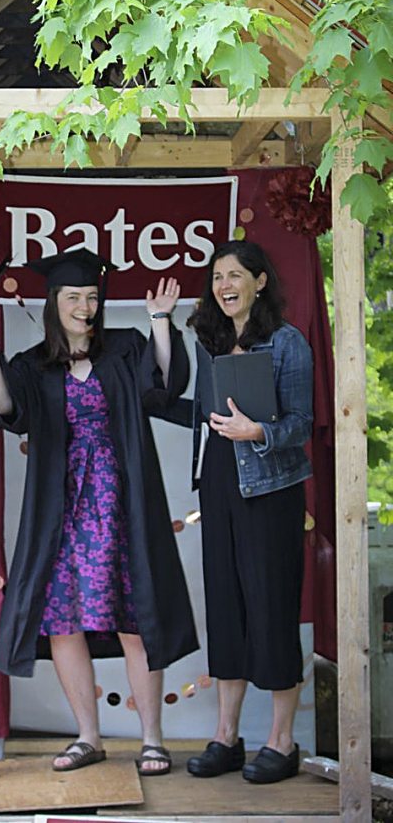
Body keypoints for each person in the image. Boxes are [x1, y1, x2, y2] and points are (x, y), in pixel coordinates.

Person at [0, 247, 198, 775]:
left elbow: (162, 387)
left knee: (134, 615)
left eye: (92, 297)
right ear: (54, 302)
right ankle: (88, 736)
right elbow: (7, 409)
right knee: (65, 619)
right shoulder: (33, 364)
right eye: (73, 297)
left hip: (121, 500)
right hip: (61, 506)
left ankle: (152, 740)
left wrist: (161, 320)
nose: (85, 306)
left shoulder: (123, 347)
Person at [181, 240, 313, 784]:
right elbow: (199, 412)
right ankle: (226, 737)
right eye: (217, 276)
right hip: (218, 485)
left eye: (235, 274)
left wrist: (258, 432)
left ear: (260, 282)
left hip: (271, 491)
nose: (224, 284)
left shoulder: (288, 343)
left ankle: (282, 742)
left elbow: (302, 424)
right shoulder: (208, 342)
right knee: (226, 608)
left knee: (271, 606)